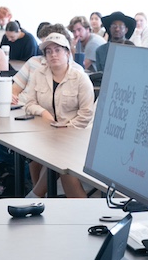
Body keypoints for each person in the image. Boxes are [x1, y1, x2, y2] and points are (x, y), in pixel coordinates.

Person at [18, 32, 95, 199]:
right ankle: (38, 198)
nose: (53, 55)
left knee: (59, 162)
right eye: (49, 51)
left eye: (58, 50)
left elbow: (87, 114)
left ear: (68, 53)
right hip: (50, 134)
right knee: (42, 156)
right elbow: (29, 103)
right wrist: (43, 112)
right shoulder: (39, 73)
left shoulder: (80, 77)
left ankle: (35, 197)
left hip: (78, 134)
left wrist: (66, 127)